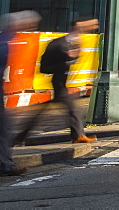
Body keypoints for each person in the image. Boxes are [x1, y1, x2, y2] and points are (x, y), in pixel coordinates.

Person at [16, 15, 100, 145]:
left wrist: (70, 57)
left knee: (41, 112)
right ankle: (78, 136)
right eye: (85, 26)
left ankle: (20, 136)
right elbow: (45, 67)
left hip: (62, 84)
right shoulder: (57, 45)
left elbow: (70, 60)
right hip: (58, 84)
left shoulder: (74, 43)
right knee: (73, 110)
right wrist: (66, 58)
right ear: (77, 27)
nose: (89, 29)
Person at [0, 10, 40, 176]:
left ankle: (7, 165)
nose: (30, 28)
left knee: (3, 130)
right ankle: (7, 166)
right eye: (29, 25)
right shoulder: (5, 42)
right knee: (3, 130)